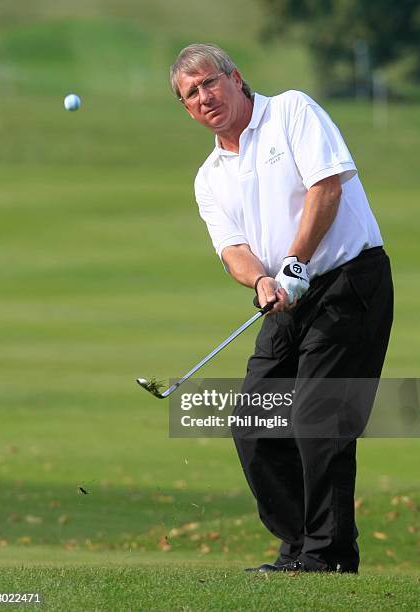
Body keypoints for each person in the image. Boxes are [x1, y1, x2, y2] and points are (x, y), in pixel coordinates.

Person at [169, 43, 393, 573]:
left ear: (235, 78)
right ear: (186, 108)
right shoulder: (209, 176)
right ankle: (299, 547)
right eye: (190, 94)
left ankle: (329, 556)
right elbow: (232, 251)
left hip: (346, 282)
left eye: (208, 83)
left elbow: (326, 187)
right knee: (253, 422)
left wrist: (295, 261)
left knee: (319, 418)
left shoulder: (291, 110)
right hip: (284, 298)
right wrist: (264, 278)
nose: (204, 98)